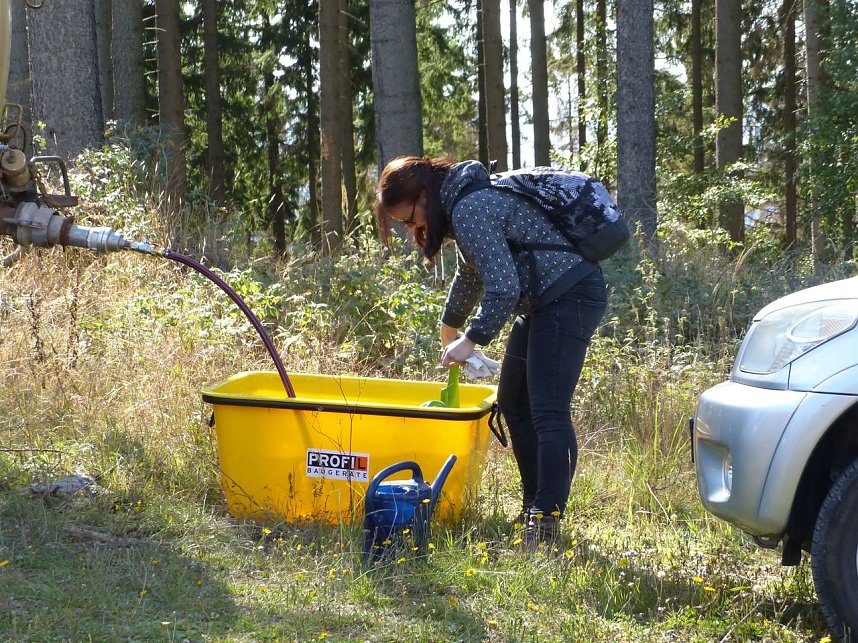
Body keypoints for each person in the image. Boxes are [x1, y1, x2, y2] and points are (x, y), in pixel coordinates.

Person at [376, 156, 608, 548]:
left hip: (570, 295)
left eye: (408, 218)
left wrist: (471, 339)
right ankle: (533, 508)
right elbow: (471, 272)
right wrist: (449, 326)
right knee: (512, 402)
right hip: (542, 301)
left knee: (547, 410)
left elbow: (501, 286)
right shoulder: (461, 204)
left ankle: (546, 522)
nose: (411, 227)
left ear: (423, 195)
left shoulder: (470, 206)